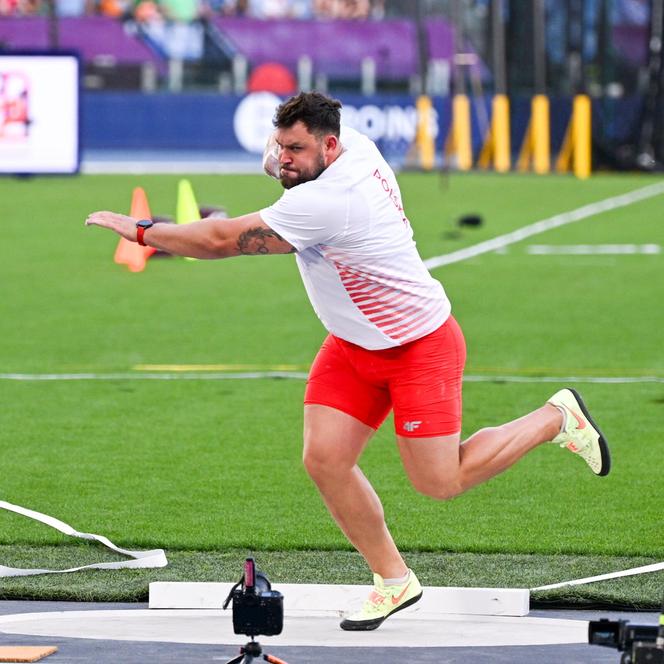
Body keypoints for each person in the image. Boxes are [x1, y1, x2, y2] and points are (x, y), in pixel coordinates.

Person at [85, 91, 611, 632]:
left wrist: (144, 231)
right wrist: (281, 159)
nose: (283, 156)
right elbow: (282, 161)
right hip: (352, 345)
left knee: (439, 481)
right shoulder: (349, 146)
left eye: (296, 148)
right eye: (281, 145)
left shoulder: (328, 202)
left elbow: (223, 240)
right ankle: (393, 581)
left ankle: (556, 418)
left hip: (418, 347)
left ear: (329, 145)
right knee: (325, 459)